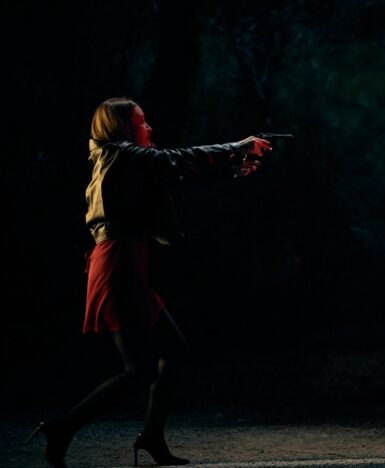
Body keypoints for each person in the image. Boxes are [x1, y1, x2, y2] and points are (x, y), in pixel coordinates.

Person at [26, 97, 272, 467]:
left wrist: (232, 166)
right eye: (141, 122)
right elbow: (176, 159)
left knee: (174, 352)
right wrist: (237, 146)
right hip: (118, 264)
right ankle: (62, 428)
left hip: (128, 261)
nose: (149, 128)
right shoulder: (121, 155)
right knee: (139, 369)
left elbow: (176, 174)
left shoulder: (126, 160)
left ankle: (152, 436)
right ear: (122, 128)